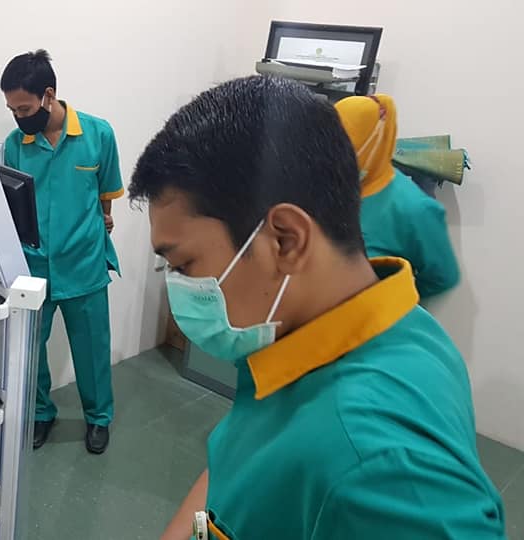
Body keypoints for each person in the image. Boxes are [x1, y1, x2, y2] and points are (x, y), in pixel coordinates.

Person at [129, 76, 505, 539]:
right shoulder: (337, 333)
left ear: (286, 239)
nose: (179, 288)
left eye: (184, 264)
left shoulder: (379, 469)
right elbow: (237, 466)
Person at [0, 49, 123, 454]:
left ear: (48, 95)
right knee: (31, 350)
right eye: (12, 110)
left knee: (92, 350)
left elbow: (106, 193)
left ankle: (99, 418)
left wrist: (105, 217)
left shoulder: (98, 134)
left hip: (84, 263)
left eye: (24, 108)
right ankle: (41, 413)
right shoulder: (16, 145)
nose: (19, 117)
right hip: (34, 266)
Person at [335, 94, 461, 299]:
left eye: (347, 147)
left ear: (376, 142)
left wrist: (392, 297)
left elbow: (443, 277)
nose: (335, 157)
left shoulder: (414, 208)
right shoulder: (331, 185)